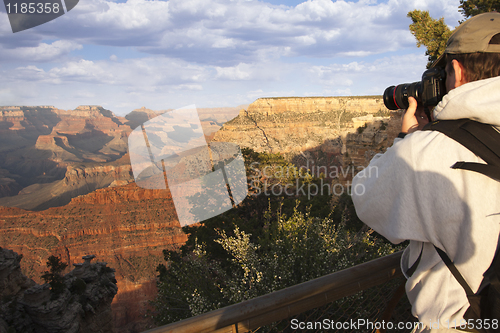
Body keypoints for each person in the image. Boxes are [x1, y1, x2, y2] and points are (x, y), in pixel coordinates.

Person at [352, 12, 500, 332]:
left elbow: (366, 198)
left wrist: (410, 139)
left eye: (444, 73)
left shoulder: (427, 153)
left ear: (457, 72)